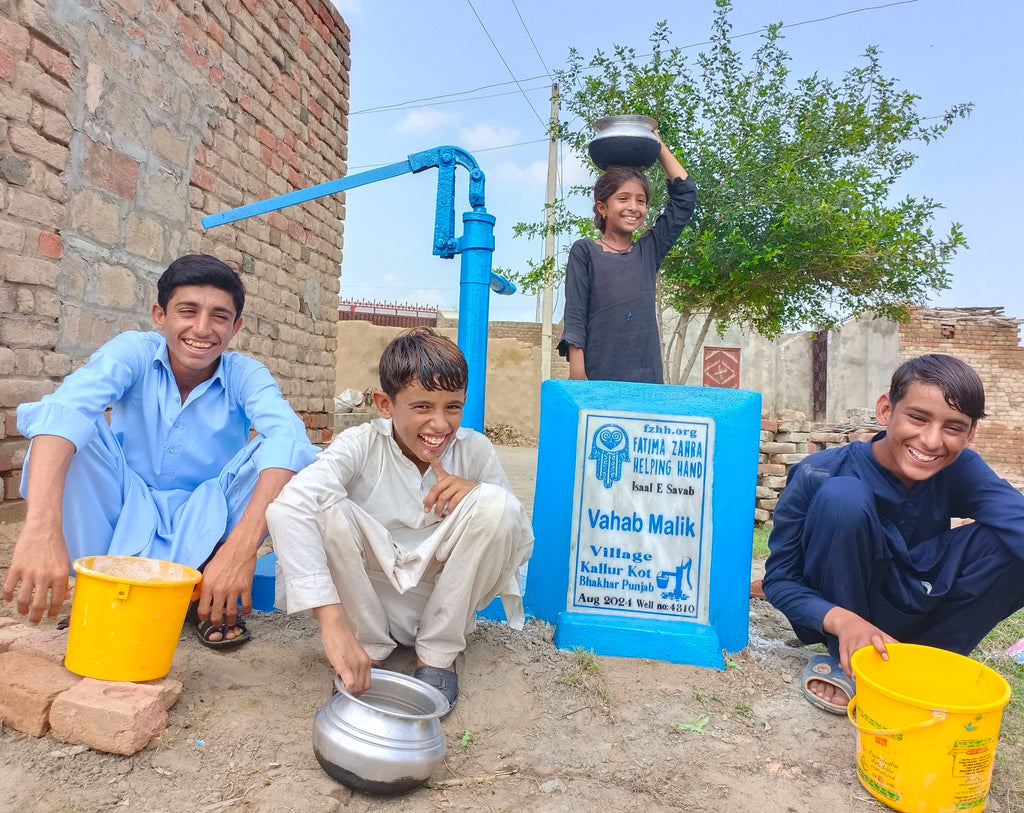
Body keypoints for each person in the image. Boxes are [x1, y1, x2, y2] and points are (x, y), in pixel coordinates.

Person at [2, 254, 318, 648]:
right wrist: (40, 529)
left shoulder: (245, 373)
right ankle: (106, 582)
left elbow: (289, 440)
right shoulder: (133, 352)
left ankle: (207, 589)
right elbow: (64, 410)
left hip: (206, 515)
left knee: (285, 451)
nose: (202, 329)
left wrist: (241, 550)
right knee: (68, 427)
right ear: (160, 316)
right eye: (188, 311)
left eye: (219, 317)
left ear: (235, 327)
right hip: (125, 506)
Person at [267, 328, 533, 712]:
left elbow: (517, 534)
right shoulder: (359, 444)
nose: (439, 424)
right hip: (367, 602)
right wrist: (332, 623)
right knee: (323, 508)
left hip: (441, 602)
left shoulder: (475, 450)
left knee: (499, 504)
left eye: (452, 407)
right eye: (422, 407)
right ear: (385, 404)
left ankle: (438, 655)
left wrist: (474, 493)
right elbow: (288, 508)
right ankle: (366, 647)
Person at [763, 354, 1024, 714]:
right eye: (918, 418)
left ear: (970, 434)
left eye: (953, 427)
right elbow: (780, 580)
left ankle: (924, 663)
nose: (931, 441)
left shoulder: (961, 468)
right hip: (850, 606)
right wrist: (843, 620)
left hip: (919, 596)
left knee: (1011, 544)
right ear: (886, 410)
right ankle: (852, 661)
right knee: (844, 498)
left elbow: (1018, 520)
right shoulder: (819, 473)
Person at [558, 134, 696, 383]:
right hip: (598, 378)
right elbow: (576, 315)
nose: (633, 207)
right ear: (602, 207)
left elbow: (685, 196)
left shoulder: (648, 251)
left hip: (647, 383)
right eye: (623, 198)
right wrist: (578, 375)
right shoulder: (585, 251)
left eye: (641, 201)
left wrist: (657, 145)